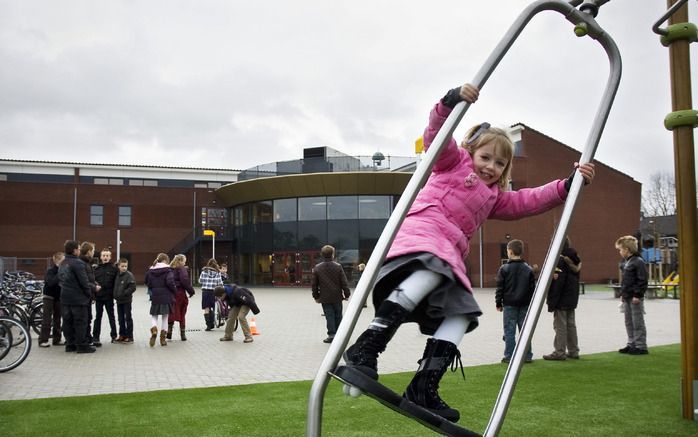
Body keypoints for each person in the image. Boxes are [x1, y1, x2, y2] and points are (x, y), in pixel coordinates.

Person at [341, 82, 596, 423]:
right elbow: (436, 135)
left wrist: (567, 185)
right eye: (486, 157)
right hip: (422, 236)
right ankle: (367, 347)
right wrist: (449, 103)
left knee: (462, 314)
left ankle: (424, 385)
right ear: (471, 152)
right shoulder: (451, 164)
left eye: (500, 163)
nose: (491, 167)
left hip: (447, 255)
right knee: (430, 270)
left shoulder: (494, 198)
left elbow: (528, 200)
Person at [495, 239, 535, 364]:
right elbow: (532, 289)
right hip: (524, 304)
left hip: (509, 304)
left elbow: (500, 288)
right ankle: (527, 355)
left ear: (510, 252)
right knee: (524, 330)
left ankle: (509, 356)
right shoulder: (528, 269)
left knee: (509, 331)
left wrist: (498, 303)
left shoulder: (504, 268)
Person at [543, 236, 582, 361]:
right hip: (571, 297)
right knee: (571, 325)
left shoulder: (559, 260)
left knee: (560, 325)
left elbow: (558, 283)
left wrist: (552, 302)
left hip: (561, 298)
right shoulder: (575, 258)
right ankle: (573, 350)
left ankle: (559, 352)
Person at [57, 240, 95, 354]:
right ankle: (82, 345)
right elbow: (84, 282)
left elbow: (60, 279)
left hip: (65, 298)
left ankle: (70, 344)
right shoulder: (78, 263)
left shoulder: (62, 262)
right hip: (78, 299)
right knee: (80, 322)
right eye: (78, 249)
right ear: (74, 251)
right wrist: (89, 295)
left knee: (67, 322)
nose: (79, 250)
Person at [615, 235, 649, 355]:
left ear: (627, 250)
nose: (619, 252)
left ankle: (641, 346)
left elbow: (642, 280)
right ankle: (631, 343)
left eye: (620, 249)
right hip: (627, 296)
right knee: (629, 321)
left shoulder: (638, 262)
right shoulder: (626, 262)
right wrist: (623, 294)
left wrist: (637, 295)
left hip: (635, 297)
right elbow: (625, 281)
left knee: (637, 321)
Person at [311, 245, 351, 343]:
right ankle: (339, 334)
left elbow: (314, 285)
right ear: (332, 254)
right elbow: (344, 282)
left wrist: (316, 296)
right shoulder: (338, 267)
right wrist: (347, 294)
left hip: (325, 297)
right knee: (338, 315)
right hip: (337, 296)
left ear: (322, 254)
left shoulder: (317, 268)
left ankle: (332, 335)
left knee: (329, 315)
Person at [145, 253, 177, 347]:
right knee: (165, 317)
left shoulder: (151, 271)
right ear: (166, 261)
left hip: (155, 296)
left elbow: (147, 282)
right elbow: (170, 282)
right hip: (166, 296)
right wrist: (174, 291)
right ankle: (163, 339)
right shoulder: (168, 270)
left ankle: (154, 329)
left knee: (154, 315)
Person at [38, 251, 65, 347]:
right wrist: (59, 273)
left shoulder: (63, 271)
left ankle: (57, 339)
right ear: (57, 261)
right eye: (63, 260)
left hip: (58, 297)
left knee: (58, 319)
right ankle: (43, 340)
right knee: (47, 319)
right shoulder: (50, 271)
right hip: (49, 297)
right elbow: (51, 283)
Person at [93, 248, 119, 346]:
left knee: (111, 316)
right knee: (98, 317)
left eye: (107, 256)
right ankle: (95, 337)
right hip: (99, 298)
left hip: (109, 297)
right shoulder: (96, 269)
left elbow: (116, 283)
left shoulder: (114, 269)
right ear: (100, 257)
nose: (105, 257)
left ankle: (114, 335)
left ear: (110, 257)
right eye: (103, 255)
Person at [168, 254, 196, 341]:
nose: (185, 263)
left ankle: (169, 332)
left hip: (171, 293)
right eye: (184, 261)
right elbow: (185, 281)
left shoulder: (170, 269)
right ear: (180, 261)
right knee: (182, 313)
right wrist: (191, 291)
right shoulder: (181, 269)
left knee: (172, 312)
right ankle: (182, 334)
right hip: (180, 293)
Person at [79, 241, 100, 347]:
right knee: (85, 319)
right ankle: (85, 341)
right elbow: (84, 281)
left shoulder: (87, 263)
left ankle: (88, 338)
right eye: (93, 250)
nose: (94, 252)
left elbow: (89, 278)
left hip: (87, 295)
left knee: (88, 318)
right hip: (84, 296)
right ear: (88, 251)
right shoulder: (83, 263)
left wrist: (94, 283)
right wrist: (94, 287)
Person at [113, 258, 137, 343]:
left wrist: (124, 293)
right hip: (119, 301)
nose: (124, 268)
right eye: (122, 266)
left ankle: (130, 336)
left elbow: (133, 287)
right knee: (120, 318)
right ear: (119, 266)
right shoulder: (117, 275)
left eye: (125, 266)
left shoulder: (129, 275)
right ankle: (122, 335)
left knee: (128, 318)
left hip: (126, 300)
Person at [199, 258, 224, 331]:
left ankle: (208, 326)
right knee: (212, 307)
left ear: (208, 264)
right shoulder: (217, 273)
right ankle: (212, 323)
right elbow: (220, 283)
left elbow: (200, 281)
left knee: (206, 308)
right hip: (214, 292)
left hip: (205, 292)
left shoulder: (204, 272)